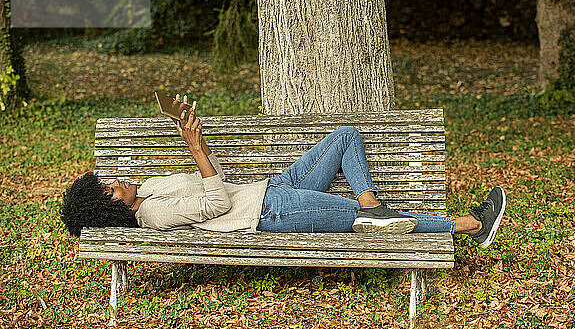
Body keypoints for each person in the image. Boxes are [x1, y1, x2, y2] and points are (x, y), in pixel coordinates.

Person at [61, 94, 506, 248]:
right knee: (366, 221)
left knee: (346, 136)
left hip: (271, 189)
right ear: (109, 207)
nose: (115, 180)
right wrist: (195, 149)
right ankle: (470, 225)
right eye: (108, 188)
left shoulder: (148, 188)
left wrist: (190, 133)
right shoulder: (153, 216)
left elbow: (211, 178)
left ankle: (371, 204)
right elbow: (216, 202)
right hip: (271, 214)